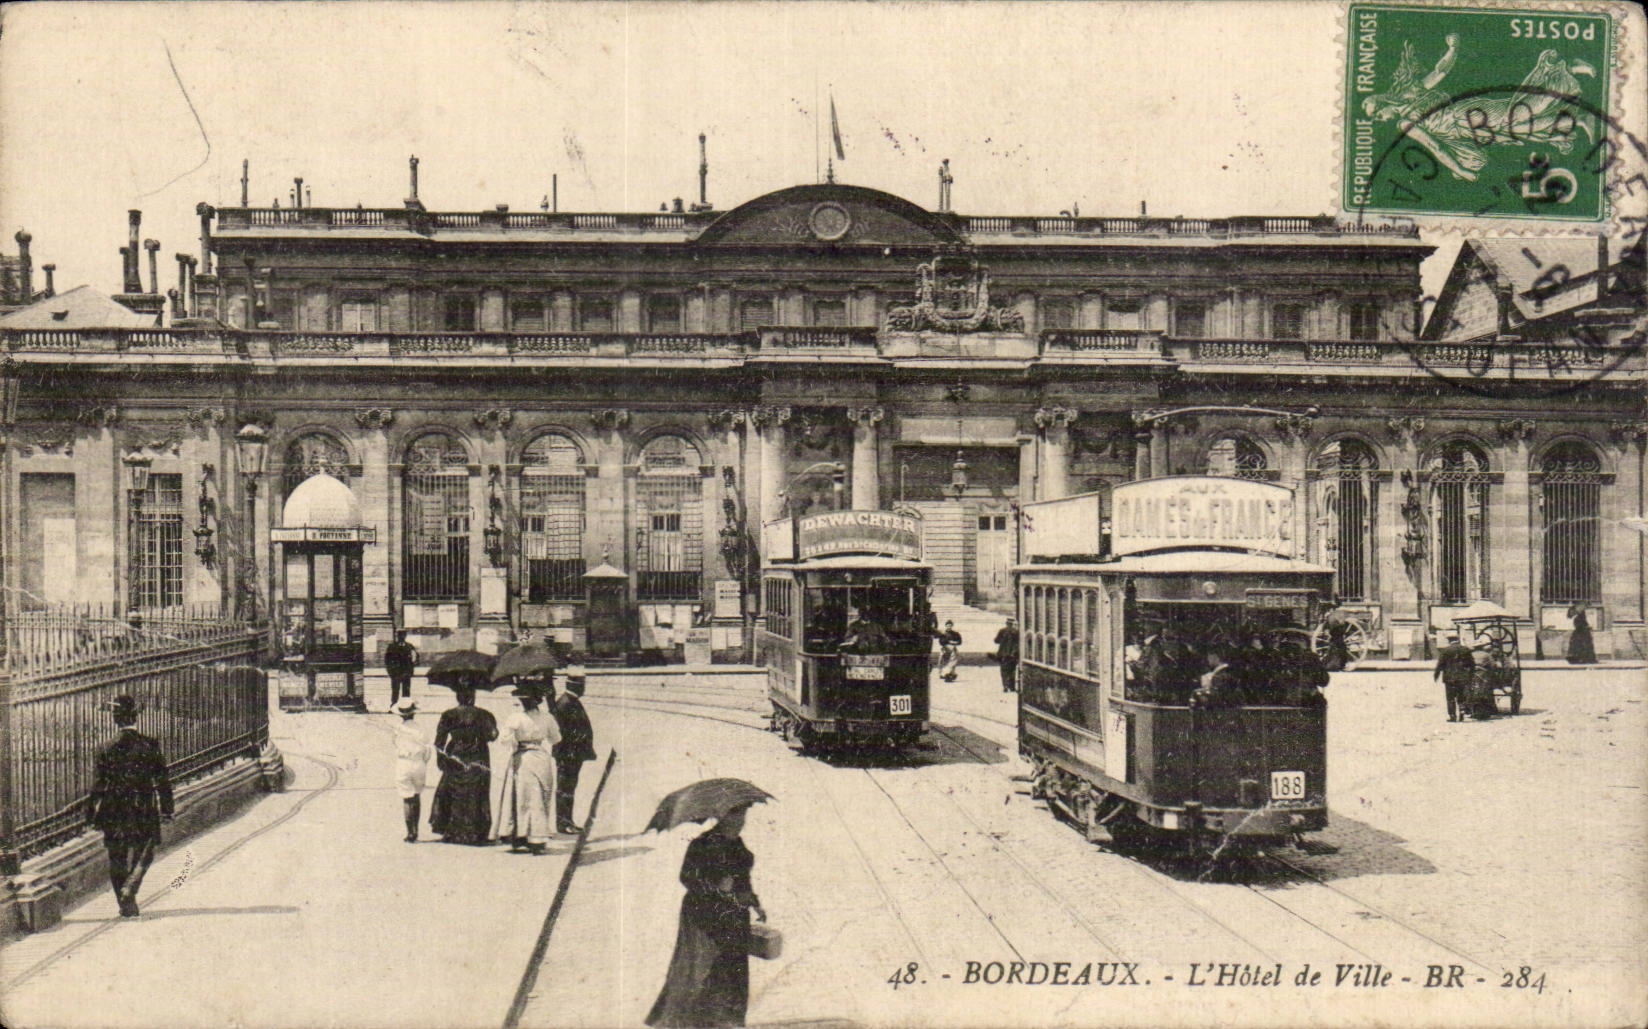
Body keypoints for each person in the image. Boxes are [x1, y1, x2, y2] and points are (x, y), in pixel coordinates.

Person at [646, 803, 767, 1028]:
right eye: (735, 818)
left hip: (733, 916)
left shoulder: (737, 844)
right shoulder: (701, 844)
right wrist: (715, 885)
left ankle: (726, 1021)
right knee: (701, 968)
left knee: (732, 968)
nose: (740, 823)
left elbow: (742, 880)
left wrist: (754, 903)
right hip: (704, 916)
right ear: (722, 818)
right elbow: (687, 877)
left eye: (742, 818)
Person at [87, 694, 173, 918]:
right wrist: (167, 808)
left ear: (115, 720)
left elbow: (97, 786)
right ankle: (132, 886)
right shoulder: (149, 744)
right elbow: (162, 779)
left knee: (116, 855)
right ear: (135, 716)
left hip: (113, 808)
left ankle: (126, 902)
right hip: (143, 804)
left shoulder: (105, 748)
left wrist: (90, 815)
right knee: (147, 848)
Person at [492, 680, 561, 853]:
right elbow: (556, 739)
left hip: (523, 759)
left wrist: (516, 739)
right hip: (541, 758)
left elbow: (503, 740)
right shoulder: (547, 717)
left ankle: (520, 835)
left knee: (521, 798)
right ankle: (537, 838)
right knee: (539, 797)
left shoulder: (516, 718)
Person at [429, 684, 499, 845]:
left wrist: (441, 760)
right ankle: (476, 832)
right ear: (473, 697)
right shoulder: (485, 715)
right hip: (478, 754)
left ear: (457, 697)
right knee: (477, 792)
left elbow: (439, 741)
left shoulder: (449, 715)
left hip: (456, 754)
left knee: (454, 792)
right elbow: (493, 736)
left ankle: (454, 831)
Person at [553, 673, 596, 834]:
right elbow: (561, 732)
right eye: (582, 684)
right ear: (575, 686)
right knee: (565, 788)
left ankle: (567, 820)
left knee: (569, 788)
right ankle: (563, 823)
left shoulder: (570, 701)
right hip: (568, 754)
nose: (584, 688)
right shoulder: (565, 703)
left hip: (573, 754)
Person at [393, 697, 432, 842]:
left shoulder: (397, 729)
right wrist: (423, 761)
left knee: (406, 798)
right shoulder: (420, 728)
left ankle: (410, 832)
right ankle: (416, 829)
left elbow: (395, 745)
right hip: (418, 763)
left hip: (403, 763)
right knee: (416, 796)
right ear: (414, 713)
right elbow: (428, 749)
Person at [1434, 631, 1476, 723]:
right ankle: (1462, 711)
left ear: (1449, 640)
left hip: (1449, 678)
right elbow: (1472, 664)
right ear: (1457, 639)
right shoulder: (1465, 649)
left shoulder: (1445, 650)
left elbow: (1440, 664)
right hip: (1463, 677)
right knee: (1461, 695)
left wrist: (1436, 675)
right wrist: (1471, 675)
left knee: (1450, 698)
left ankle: (1452, 716)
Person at [384, 630, 419, 711]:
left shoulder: (409, 646)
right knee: (395, 691)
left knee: (406, 691)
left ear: (405, 636)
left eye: (403, 635)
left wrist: (411, 669)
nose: (401, 637)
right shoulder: (392, 646)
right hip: (396, 673)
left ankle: (406, 707)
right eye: (400, 635)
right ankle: (393, 707)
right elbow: (387, 660)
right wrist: (390, 671)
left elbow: (415, 658)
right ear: (397, 636)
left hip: (406, 673)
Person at [992, 617, 1019, 693]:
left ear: (1006, 623)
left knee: (1003, 670)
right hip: (1012, 654)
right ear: (1013, 624)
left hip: (1003, 654)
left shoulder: (1002, 631)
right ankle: (1012, 687)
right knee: (1012, 670)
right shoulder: (1016, 632)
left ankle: (1005, 686)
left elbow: (996, 641)